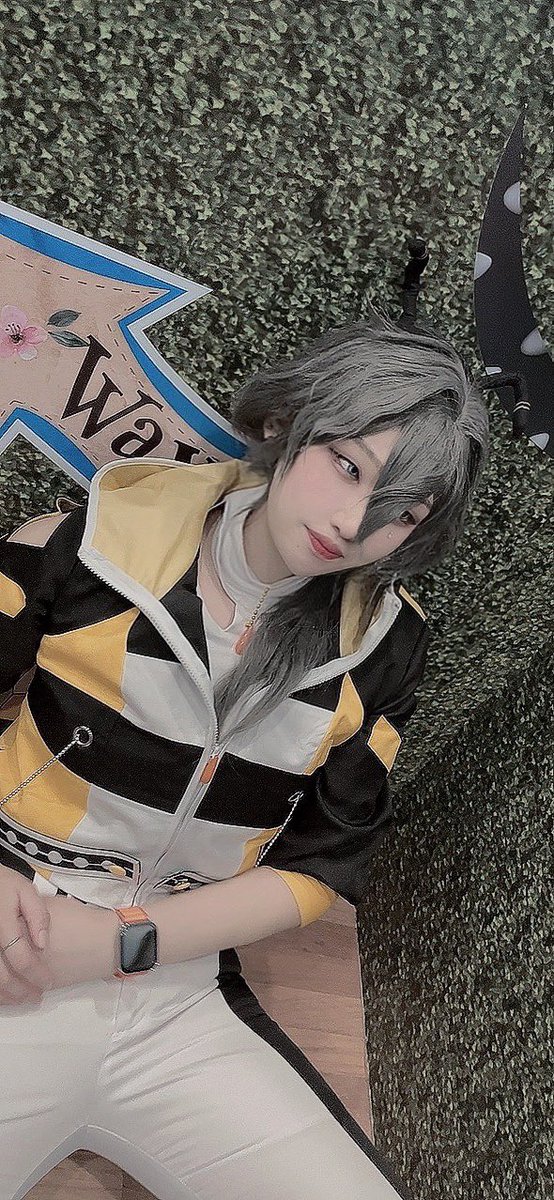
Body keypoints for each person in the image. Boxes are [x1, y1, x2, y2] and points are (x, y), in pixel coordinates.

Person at [0, 309, 489, 1200]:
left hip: (178, 991)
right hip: (17, 929)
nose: (354, 522)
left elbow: (320, 868)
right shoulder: (82, 544)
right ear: (287, 423)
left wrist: (125, 943)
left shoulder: (387, 648)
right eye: (348, 465)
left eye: (401, 512)